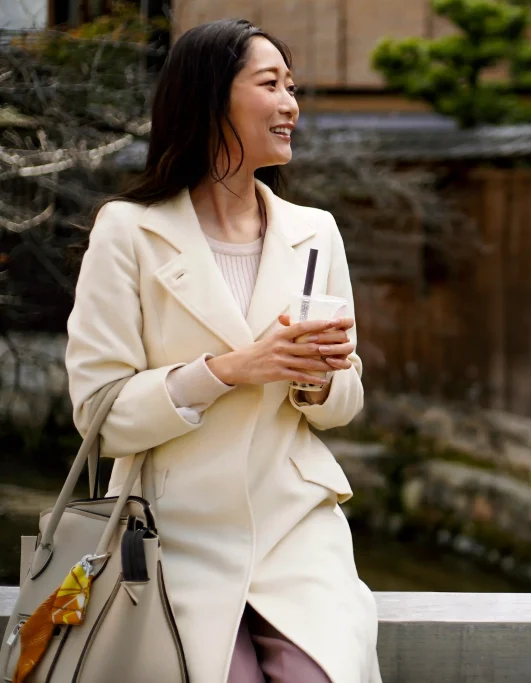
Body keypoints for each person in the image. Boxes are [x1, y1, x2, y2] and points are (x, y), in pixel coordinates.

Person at [65, 19, 380, 683]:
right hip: (164, 535)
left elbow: (345, 399)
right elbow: (99, 415)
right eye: (271, 84)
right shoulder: (129, 232)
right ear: (211, 99)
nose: (291, 104)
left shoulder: (315, 232)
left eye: (292, 87)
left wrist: (319, 381)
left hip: (295, 532)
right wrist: (229, 370)